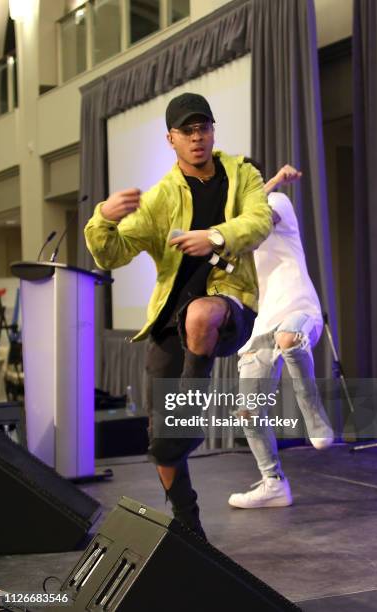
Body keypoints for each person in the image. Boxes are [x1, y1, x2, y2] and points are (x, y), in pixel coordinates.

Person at [84, 93, 271, 537]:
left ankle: (191, 412)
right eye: (187, 131)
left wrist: (215, 237)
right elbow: (112, 254)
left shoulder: (242, 173)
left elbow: (260, 221)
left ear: (212, 131)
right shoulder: (161, 198)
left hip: (228, 306)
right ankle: (189, 527)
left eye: (203, 127)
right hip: (169, 323)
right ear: (171, 139)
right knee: (162, 443)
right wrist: (102, 219)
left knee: (201, 314)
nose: (197, 137)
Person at [228, 163, 334, 510]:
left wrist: (272, 181)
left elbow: (256, 226)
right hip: (263, 323)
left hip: (299, 309)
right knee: (247, 411)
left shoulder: (278, 201)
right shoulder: (236, 222)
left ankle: (312, 410)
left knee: (290, 338)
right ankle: (273, 482)